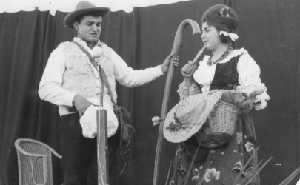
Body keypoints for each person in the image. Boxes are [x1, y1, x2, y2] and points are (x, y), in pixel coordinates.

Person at [38, 1, 174, 185]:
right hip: (74, 123)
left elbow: (129, 76)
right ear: (77, 26)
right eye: (89, 24)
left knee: (104, 178)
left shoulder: (107, 52)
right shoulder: (62, 51)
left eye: (98, 24)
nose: (95, 28)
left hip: (108, 123)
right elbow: (45, 88)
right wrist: (73, 98)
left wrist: (161, 69)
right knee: (75, 179)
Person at [163, 4, 270, 185]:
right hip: (200, 133)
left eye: (207, 30)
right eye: (202, 30)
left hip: (230, 136)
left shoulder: (241, 59)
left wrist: (243, 97)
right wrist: (188, 80)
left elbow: (255, 98)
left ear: (222, 32)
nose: (202, 36)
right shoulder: (202, 64)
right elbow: (189, 102)